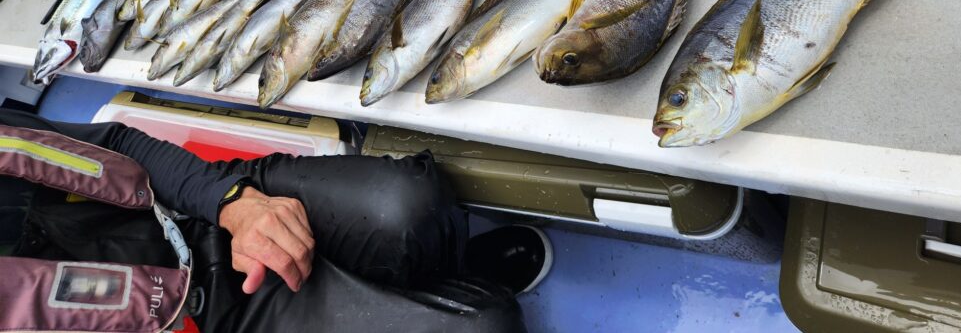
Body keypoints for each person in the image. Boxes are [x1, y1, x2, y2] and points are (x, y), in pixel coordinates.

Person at [0, 107, 552, 332]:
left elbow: (114, 143)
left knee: (409, 205)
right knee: (485, 326)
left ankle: (429, 271)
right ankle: (429, 293)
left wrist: (231, 201)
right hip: (203, 321)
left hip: (193, 214)